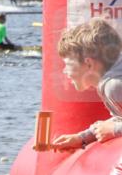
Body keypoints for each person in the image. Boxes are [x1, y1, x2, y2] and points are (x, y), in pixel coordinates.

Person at [52, 18, 122, 150]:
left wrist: (114, 130)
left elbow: (116, 124)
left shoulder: (115, 85)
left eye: (67, 64)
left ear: (88, 63)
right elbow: (119, 118)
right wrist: (82, 138)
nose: (64, 71)